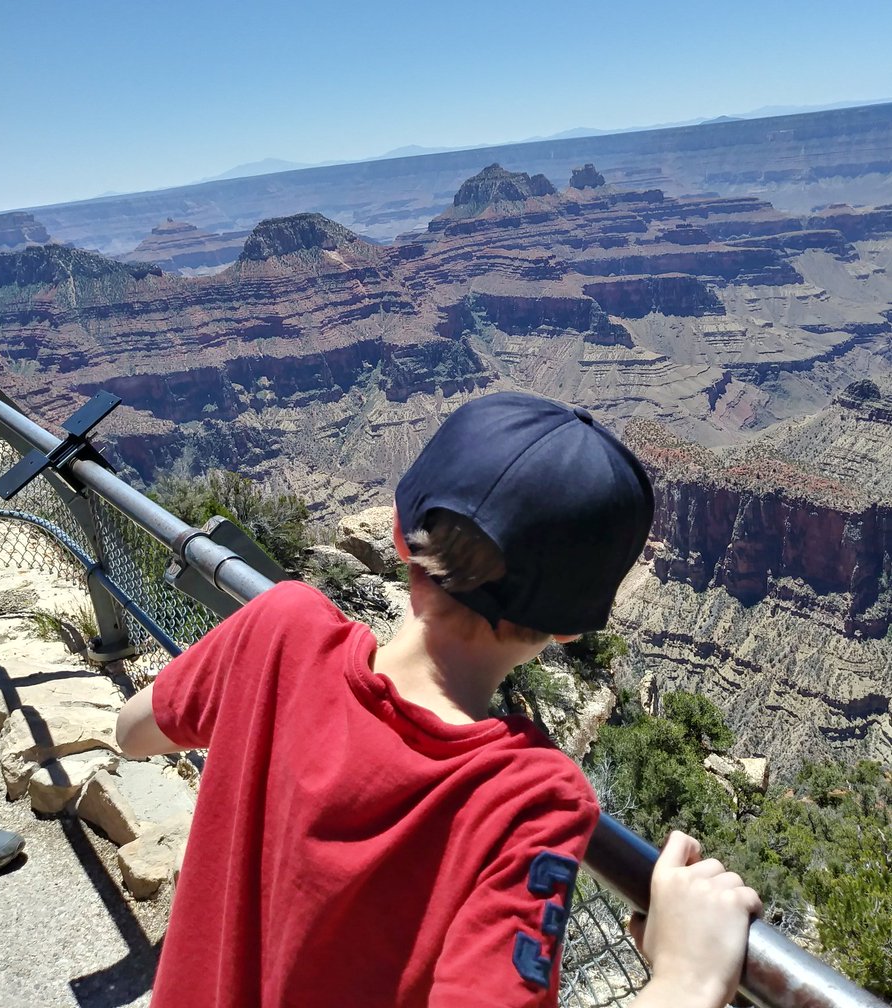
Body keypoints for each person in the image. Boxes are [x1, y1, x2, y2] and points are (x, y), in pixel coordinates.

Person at [117, 390, 761, 1007]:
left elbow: (134, 731)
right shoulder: (527, 800)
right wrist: (687, 980)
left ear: (400, 534)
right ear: (570, 627)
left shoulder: (282, 625)